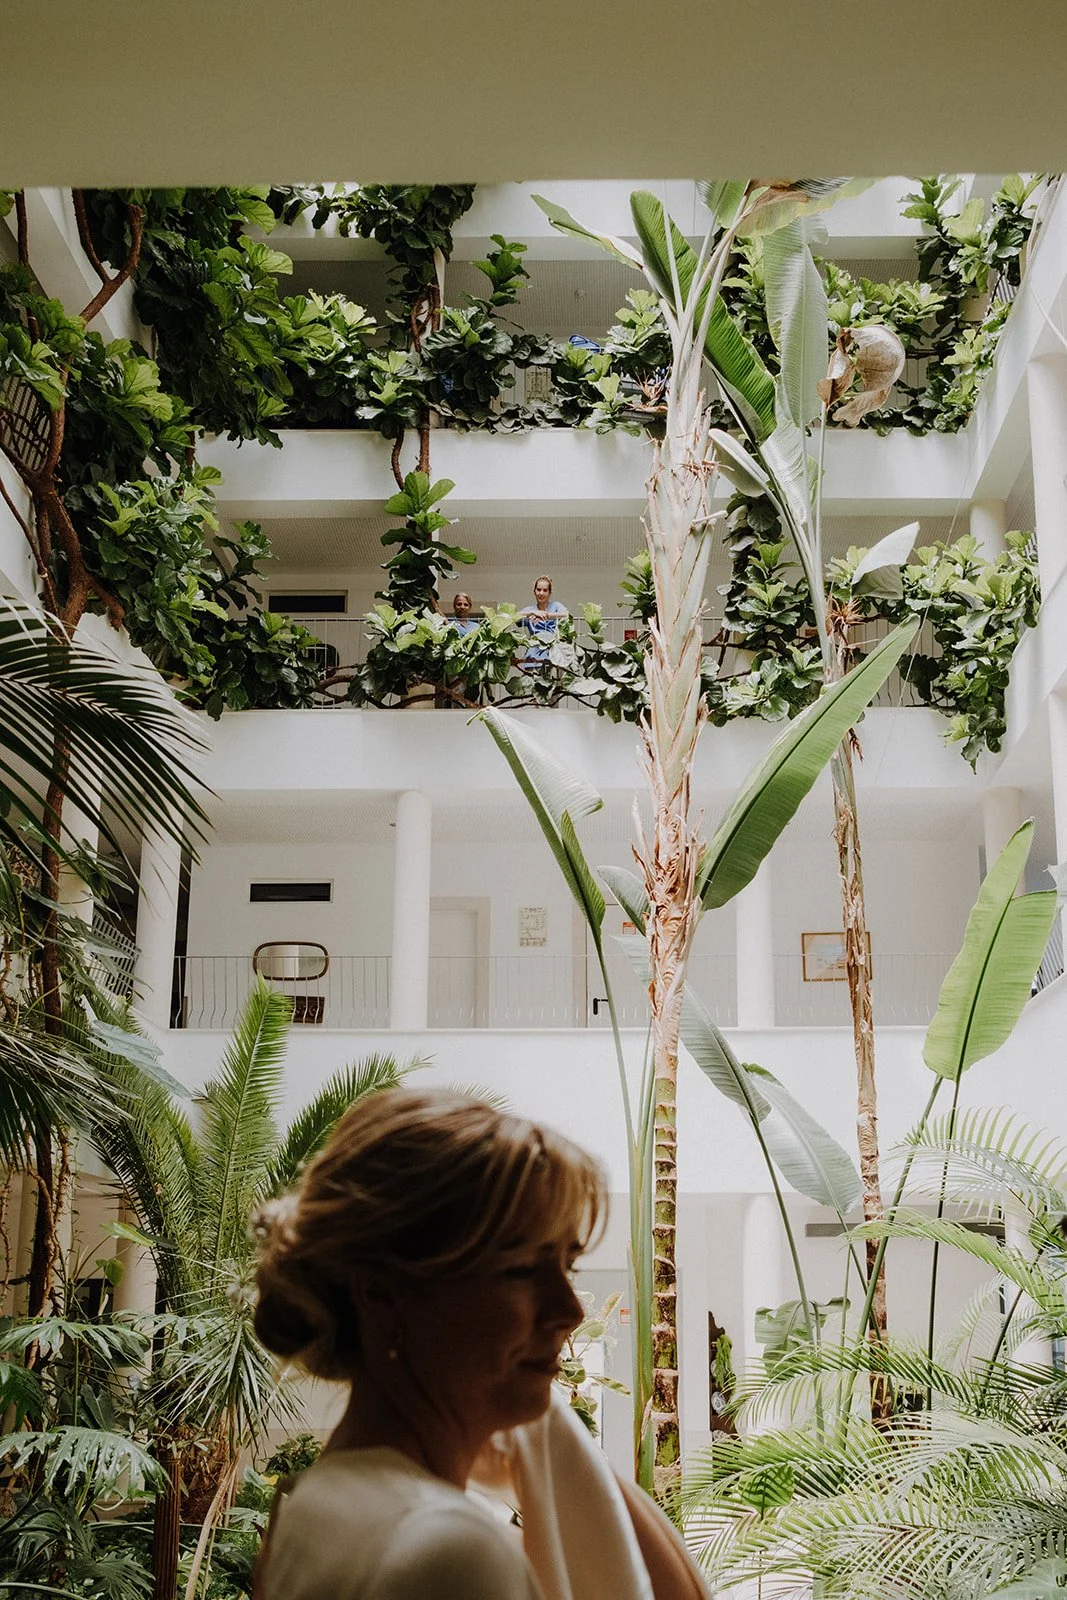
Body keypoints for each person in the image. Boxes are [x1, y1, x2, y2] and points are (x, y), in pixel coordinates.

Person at [251, 1087, 705, 1600]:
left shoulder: (317, 1503)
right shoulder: (449, 1552)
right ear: (380, 1294)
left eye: (567, 1266)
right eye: (519, 1270)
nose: (570, 1310)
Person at [518, 575, 567, 664]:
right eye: (538, 589)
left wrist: (546, 615)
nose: (541, 593)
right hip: (534, 649)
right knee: (530, 675)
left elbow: (566, 614)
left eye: (545, 590)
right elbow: (515, 617)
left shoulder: (555, 605)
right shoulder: (530, 609)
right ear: (534, 591)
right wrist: (533, 613)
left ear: (549, 593)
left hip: (552, 649)